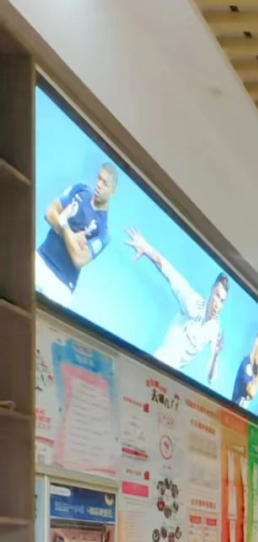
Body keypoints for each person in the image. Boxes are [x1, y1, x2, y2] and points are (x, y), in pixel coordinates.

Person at [125, 228, 227, 383]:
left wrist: (216, 357)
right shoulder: (193, 302)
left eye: (222, 301)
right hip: (156, 366)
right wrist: (146, 248)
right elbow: (170, 273)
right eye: (217, 296)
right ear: (212, 290)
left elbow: (210, 378)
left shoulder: (214, 329)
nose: (218, 304)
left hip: (172, 381)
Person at [35, 163, 119, 306]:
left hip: (61, 286)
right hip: (40, 259)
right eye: (99, 178)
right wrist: (73, 239)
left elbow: (79, 259)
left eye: (105, 183)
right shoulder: (79, 189)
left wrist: (63, 222)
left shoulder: (104, 233)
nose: (98, 185)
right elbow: (49, 213)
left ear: (112, 192)